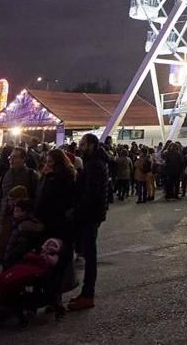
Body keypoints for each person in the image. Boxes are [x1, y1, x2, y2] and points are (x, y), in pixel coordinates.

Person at [68, 133, 111, 312]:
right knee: (88, 253)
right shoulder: (96, 162)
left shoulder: (94, 165)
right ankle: (86, 293)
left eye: (84, 144)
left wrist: (76, 211)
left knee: (90, 255)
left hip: (90, 215)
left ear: (92, 145)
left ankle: (88, 294)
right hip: (94, 213)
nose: (81, 147)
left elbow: (91, 194)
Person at [34, 149, 77, 317]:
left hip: (59, 225)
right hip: (47, 224)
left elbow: (61, 199)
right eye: (47, 161)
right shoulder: (47, 176)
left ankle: (56, 298)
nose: (48, 164)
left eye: (51, 161)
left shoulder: (63, 177)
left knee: (58, 263)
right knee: (48, 262)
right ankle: (51, 297)